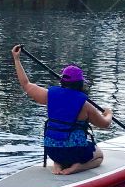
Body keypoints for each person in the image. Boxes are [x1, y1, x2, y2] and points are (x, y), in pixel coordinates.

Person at [11, 46, 113, 175]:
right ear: (80, 84)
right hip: (75, 151)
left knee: (60, 144)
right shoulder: (86, 106)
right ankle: (77, 167)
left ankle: (58, 165)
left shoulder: (48, 95)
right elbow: (105, 124)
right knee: (99, 156)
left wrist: (17, 59)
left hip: (52, 151)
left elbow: (26, 84)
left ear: (62, 82)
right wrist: (108, 113)